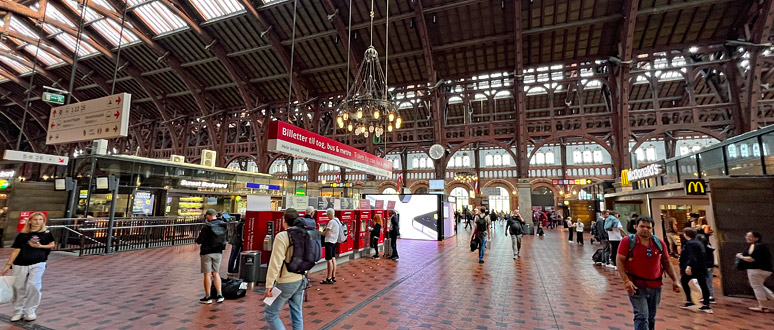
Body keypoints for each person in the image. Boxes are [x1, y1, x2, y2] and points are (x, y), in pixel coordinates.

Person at [616, 217, 681, 330]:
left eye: (648, 227)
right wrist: (626, 281)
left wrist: (675, 280)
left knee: (651, 317)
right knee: (641, 316)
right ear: (636, 227)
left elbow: (666, 262)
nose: (645, 229)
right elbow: (620, 260)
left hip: (655, 286)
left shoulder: (659, 243)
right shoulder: (627, 241)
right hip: (636, 285)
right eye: (642, 226)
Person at [1, 212, 55, 322]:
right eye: (35, 219)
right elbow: (16, 250)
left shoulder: (47, 234)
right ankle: (18, 311)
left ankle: (30, 310)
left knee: (33, 285)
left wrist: (41, 246)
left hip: (38, 262)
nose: (37, 222)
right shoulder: (22, 235)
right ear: (30, 221)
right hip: (20, 263)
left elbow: (52, 244)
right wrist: (8, 265)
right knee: (19, 287)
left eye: (40, 219)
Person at [264, 208, 307, 330]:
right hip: (301, 279)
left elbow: (275, 262)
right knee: (297, 313)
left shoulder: (282, 236)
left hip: (284, 282)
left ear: (285, 220)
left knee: (270, 313)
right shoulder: (304, 234)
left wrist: (269, 285)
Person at [196, 209, 228, 304]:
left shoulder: (207, 226)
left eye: (206, 216)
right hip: (218, 252)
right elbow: (226, 238)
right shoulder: (223, 224)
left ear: (209, 215)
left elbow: (200, 240)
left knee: (207, 274)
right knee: (216, 273)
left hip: (207, 252)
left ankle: (208, 296)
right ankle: (219, 295)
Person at [736, 231, 774, 312]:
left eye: (750, 236)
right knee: (760, 286)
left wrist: (741, 256)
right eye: (746, 236)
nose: (747, 238)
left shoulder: (757, 247)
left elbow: (751, 259)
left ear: (757, 238)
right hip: (765, 270)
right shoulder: (759, 246)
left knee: (757, 287)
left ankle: (763, 306)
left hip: (756, 270)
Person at [678, 227, 713, 313]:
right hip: (701, 267)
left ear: (686, 234)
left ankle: (689, 301)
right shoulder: (699, 242)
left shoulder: (690, 244)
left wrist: (689, 266)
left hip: (694, 268)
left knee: (684, 281)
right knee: (703, 284)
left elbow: (692, 256)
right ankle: (706, 304)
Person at [320, 208, 339, 284]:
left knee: (329, 260)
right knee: (333, 258)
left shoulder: (331, 222)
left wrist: (320, 232)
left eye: (327, 215)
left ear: (330, 214)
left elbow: (326, 233)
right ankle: (333, 276)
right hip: (334, 241)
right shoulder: (337, 220)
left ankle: (328, 278)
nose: (327, 216)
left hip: (329, 242)